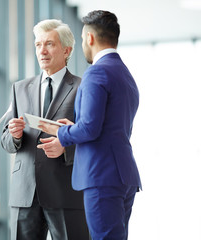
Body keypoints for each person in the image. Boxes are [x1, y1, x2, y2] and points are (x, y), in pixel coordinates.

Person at [39, 10, 142, 240]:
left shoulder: (96, 73)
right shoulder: (126, 75)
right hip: (124, 174)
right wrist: (75, 127)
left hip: (101, 175)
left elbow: (90, 128)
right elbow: (107, 125)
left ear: (90, 38)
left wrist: (61, 131)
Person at [1, 19, 89, 240]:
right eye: (38, 44)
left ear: (66, 50)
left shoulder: (82, 87)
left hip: (66, 191)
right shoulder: (19, 88)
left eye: (49, 44)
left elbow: (91, 136)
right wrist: (14, 135)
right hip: (25, 193)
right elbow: (5, 140)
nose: (42, 50)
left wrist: (66, 148)